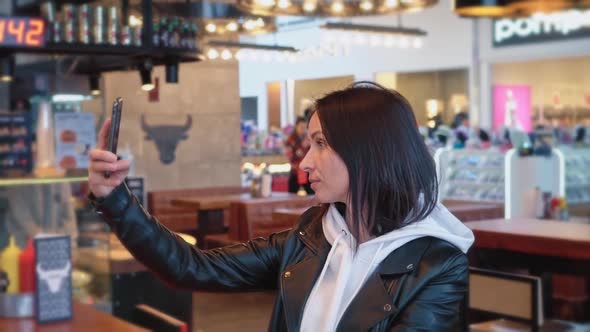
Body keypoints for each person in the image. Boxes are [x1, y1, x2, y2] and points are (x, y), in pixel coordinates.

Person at [87, 82, 474, 331]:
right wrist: (115, 199)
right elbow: (192, 266)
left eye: (320, 143)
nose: (305, 162)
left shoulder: (435, 265)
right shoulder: (312, 238)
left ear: (367, 152)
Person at [284, 116, 313, 194]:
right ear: (296, 126)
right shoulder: (290, 140)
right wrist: (302, 148)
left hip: (307, 171)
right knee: (291, 196)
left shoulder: (308, 138)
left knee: (311, 196)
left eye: (305, 127)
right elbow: (290, 157)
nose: (303, 130)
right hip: (295, 171)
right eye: (301, 127)